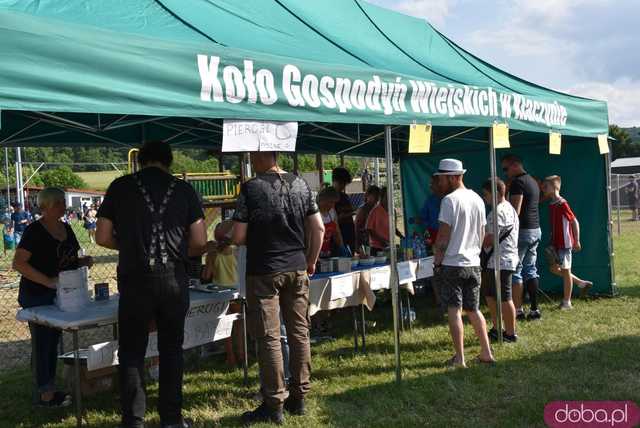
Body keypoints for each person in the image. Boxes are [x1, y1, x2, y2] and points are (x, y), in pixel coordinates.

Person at [96, 140, 208, 428]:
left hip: (135, 279)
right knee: (172, 349)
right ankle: (171, 419)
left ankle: (133, 420)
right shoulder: (184, 189)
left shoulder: (120, 186)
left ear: (140, 161)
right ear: (168, 161)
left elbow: (102, 236)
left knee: (132, 350)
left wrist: (130, 245)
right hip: (173, 279)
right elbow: (199, 241)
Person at [231, 151, 324, 425]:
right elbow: (318, 228)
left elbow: (238, 235)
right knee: (299, 333)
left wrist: (226, 232)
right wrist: (311, 260)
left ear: (261, 156)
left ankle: (274, 403)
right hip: (296, 266)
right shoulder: (301, 184)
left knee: (270, 337)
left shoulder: (251, 187)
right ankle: (300, 397)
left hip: (264, 270)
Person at [13, 187, 94, 407]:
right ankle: (45, 394)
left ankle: (49, 386)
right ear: (46, 206)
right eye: (58, 202)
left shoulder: (66, 228)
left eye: (62, 201)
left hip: (62, 295)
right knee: (43, 343)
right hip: (36, 295)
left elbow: (70, 259)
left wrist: (83, 262)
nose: (62, 205)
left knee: (53, 340)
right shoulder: (34, 231)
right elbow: (18, 263)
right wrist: (47, 281)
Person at [432, 159, 495, 368]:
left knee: (454, 309)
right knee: (474, 309)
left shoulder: (449, 200)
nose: (439, 182)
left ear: (452, 177)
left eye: (441, 178)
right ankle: (486, 352)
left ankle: (460, 358)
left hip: (453, 263)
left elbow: (443, 236)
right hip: (473, 263)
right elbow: (483, 233)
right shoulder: (477, 198)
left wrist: (437, 261)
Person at [542, 176, 592, 309]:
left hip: (565, 243)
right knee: (553, 268)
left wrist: (577, 240)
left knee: (565, 270)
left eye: (545, 187)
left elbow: (574, 221)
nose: (543, 189)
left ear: (554, 187)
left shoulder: (562, 203)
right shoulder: (552, 204)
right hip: (555, 243)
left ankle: (567, 302)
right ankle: (580, 282)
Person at [501, 154, 542, 321]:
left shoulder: (518, 183)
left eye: (505, 169)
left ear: (515, 165)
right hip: (535, 229)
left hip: (522, 231)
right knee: (530, 269)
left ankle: (517, 310)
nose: (505, 173)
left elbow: (515, 212)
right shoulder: (532, 180)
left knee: (516, 271)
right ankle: (534, 309)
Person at [480, 178, 519, 342]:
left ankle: (510, 333)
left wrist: (473, 239)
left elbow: (489, 239)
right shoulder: (509, 208)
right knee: (490, 294)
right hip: (498, 260)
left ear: (496, 193)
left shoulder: (497, 212)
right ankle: (497, 328)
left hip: (500, 260)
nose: (484, 198)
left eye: (486, 194)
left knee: (504, 297)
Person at [365, 187, 403, 255]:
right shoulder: (375, 211)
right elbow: (369, 229)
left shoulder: (393, 211)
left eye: (391, 196)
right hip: (377, 248)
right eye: (386, 197)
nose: (389, 199)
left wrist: (401, 236)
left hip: (389, 246)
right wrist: (381, 241)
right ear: (381, 198)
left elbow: (393, 228)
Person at [414, 174, 444, 246]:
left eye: (432, 183)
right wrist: (419, 220)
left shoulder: (450, 199)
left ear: (439, 183)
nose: (430, 186)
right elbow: (422, 217)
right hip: (433, 235)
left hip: (448, 235)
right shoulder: (430, 200)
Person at [332, 167, 356, 252]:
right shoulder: (328, 197)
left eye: (345, 184)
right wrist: (348, 214)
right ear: (335, 181)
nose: (343, 186)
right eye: (341, 183)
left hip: (349, 235)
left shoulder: (345, 197)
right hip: (336, 238)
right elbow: (332, 219)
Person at [317, 187, 344, 257]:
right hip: (315, 254)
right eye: (331, 202)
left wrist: (341, 246)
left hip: (326, 253)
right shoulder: (314, 213)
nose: (332, 205)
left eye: (334, 203)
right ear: (322, 200)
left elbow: (337, 233)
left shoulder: (332, 213)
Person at [354, 185, 381, 250]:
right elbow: (357, 228)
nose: (377, 198)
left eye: (378, 196)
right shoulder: (363, 209)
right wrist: (357, 244)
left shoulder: (377, 209)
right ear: (368, 195)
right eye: (375, 195)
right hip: (364, 242)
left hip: (376, 242)